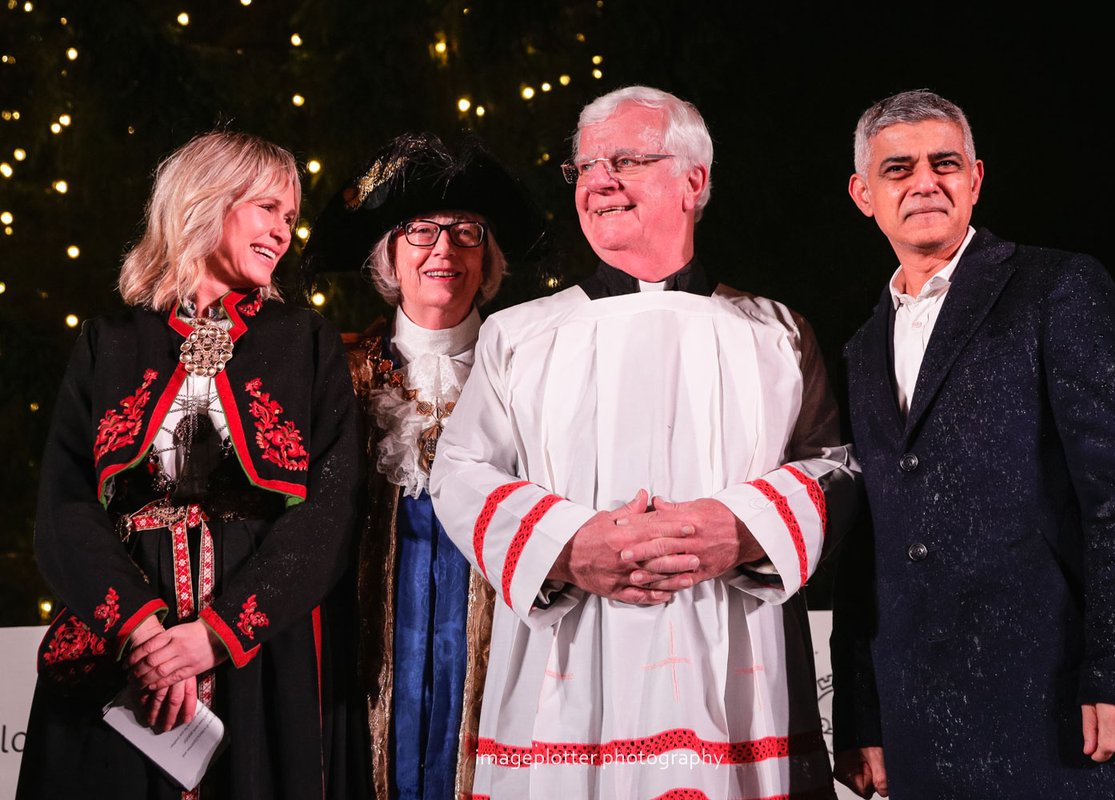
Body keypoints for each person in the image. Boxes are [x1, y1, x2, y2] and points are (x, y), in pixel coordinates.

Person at [430, 86, 858, 798]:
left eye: (624, 159)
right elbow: (459, 469)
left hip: (734, 668)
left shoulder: (776, 332)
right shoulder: (520, 335)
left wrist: (742, 530)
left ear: (695, 181)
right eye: (585, 167)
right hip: (566, 672)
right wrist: (567, 546)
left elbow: (835, 469)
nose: (598, 181)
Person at [831, 89, 1115, 799]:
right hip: (919, 724)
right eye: (898, 169)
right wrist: (864, 715)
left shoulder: (1058, 288)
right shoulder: (861, 350)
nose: (925, 181)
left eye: (944, 163)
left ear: (975, 179)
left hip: (1062, 712)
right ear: (864, 194)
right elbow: (868, 546)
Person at [17, 131, 364, 799]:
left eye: (290, 218)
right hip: (121, 648)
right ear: (207, 201)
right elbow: (64, 506)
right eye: (268, 208)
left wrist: (220, 632)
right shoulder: (109, 341)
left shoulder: (305, 340)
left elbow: (331, 509)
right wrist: (141, 632)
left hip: (257, 655)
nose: (283, 232)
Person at [300, 132, 544, 800]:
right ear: (388, 257)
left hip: (500, 659)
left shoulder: (533, 372)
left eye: (467, 232)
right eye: (419, 232)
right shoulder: (335, 375)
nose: (444, 250)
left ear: (488, 258)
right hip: (362, 663)